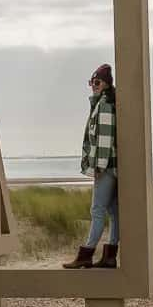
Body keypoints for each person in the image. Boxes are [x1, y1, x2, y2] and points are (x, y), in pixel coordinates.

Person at [63, 63, 119, 269]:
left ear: (105, 84)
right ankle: (110, 256)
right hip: (113, 167)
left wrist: (98, 167)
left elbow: (104, 139)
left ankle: (87, 253)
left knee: (97, 210)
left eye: (97, 82)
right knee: (113, 211)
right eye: (91, 82)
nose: (93, 86)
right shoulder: (103, 102)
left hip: (106, 167)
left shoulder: (104, 105)